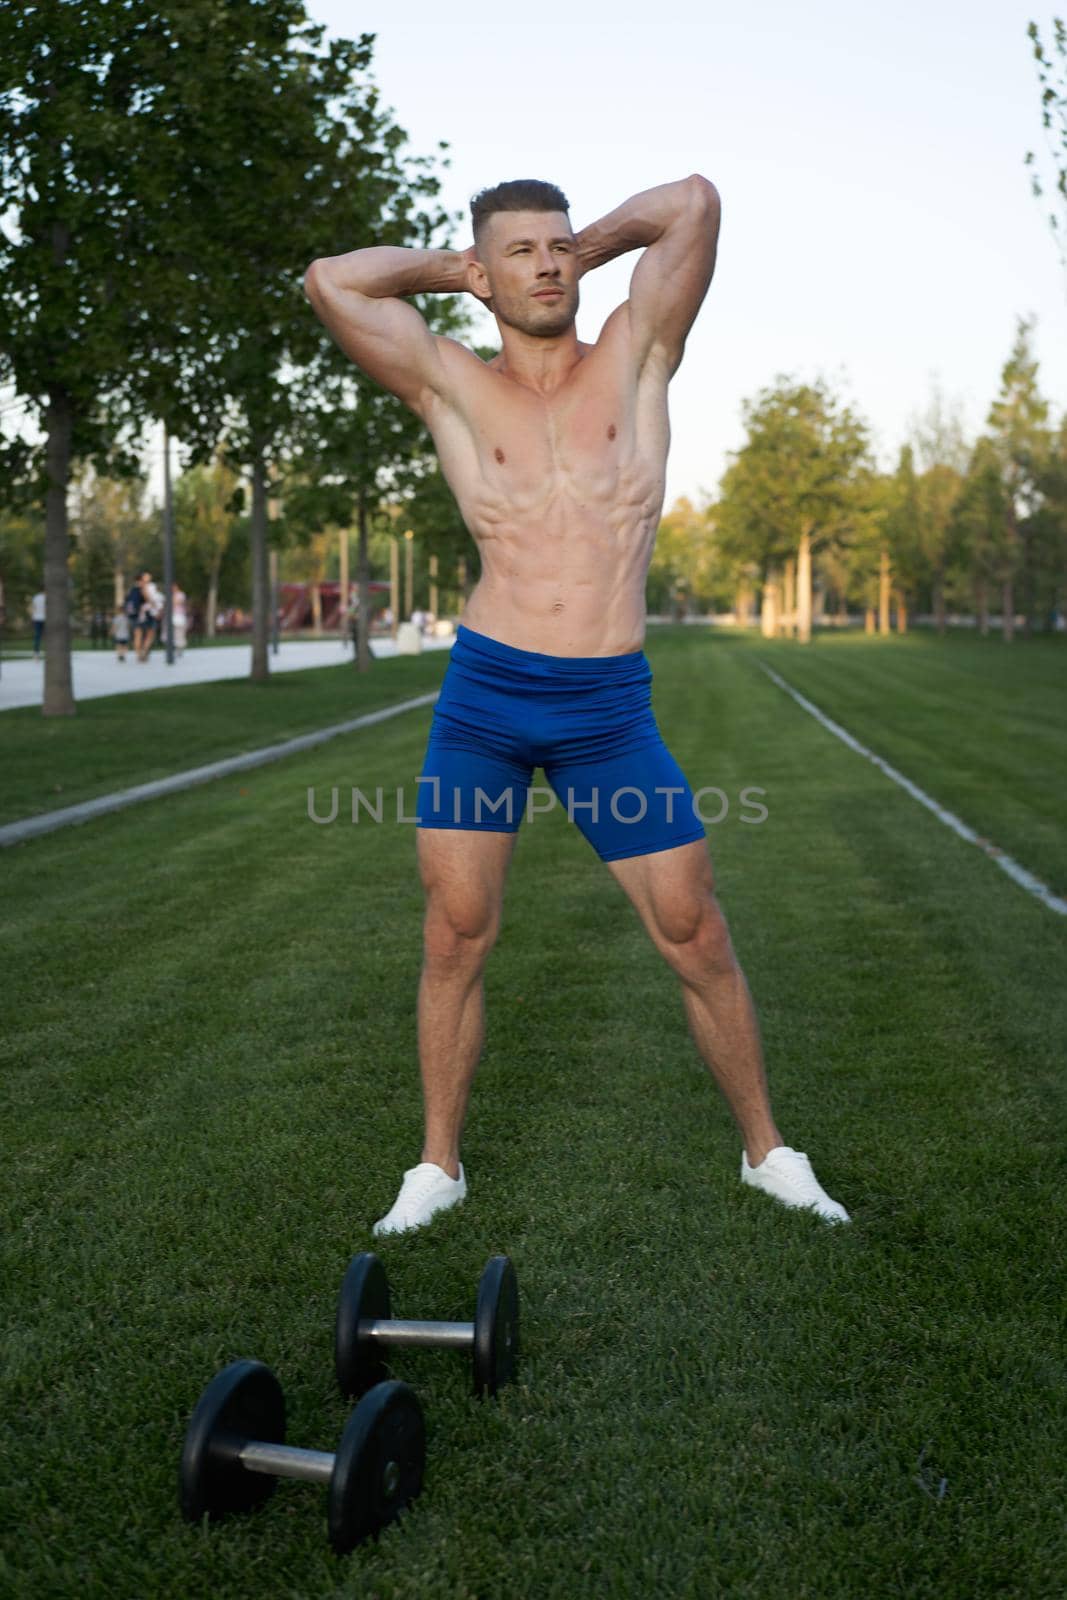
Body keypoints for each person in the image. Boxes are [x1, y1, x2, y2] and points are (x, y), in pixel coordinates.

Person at [305, 176, 850, 1234]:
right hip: (487, 701)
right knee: (456, 933)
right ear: (485, 273)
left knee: (693, 928)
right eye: (522, 252)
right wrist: (451, 269)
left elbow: (690, 203)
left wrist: (588, 245)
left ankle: (767, 1150)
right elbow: (332, 282)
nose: (548, 264)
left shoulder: (637, 351)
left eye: (560, 248)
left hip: (606, 708)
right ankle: (436, 1167)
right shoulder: (451, 382)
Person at [30, 588, 45, 658]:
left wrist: (32, 617)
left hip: (37, 618)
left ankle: (36, 652)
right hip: (45, 618)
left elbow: (33, 608)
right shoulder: (47, 597)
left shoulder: (36, 597)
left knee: (37, 636)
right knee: (46, 636)